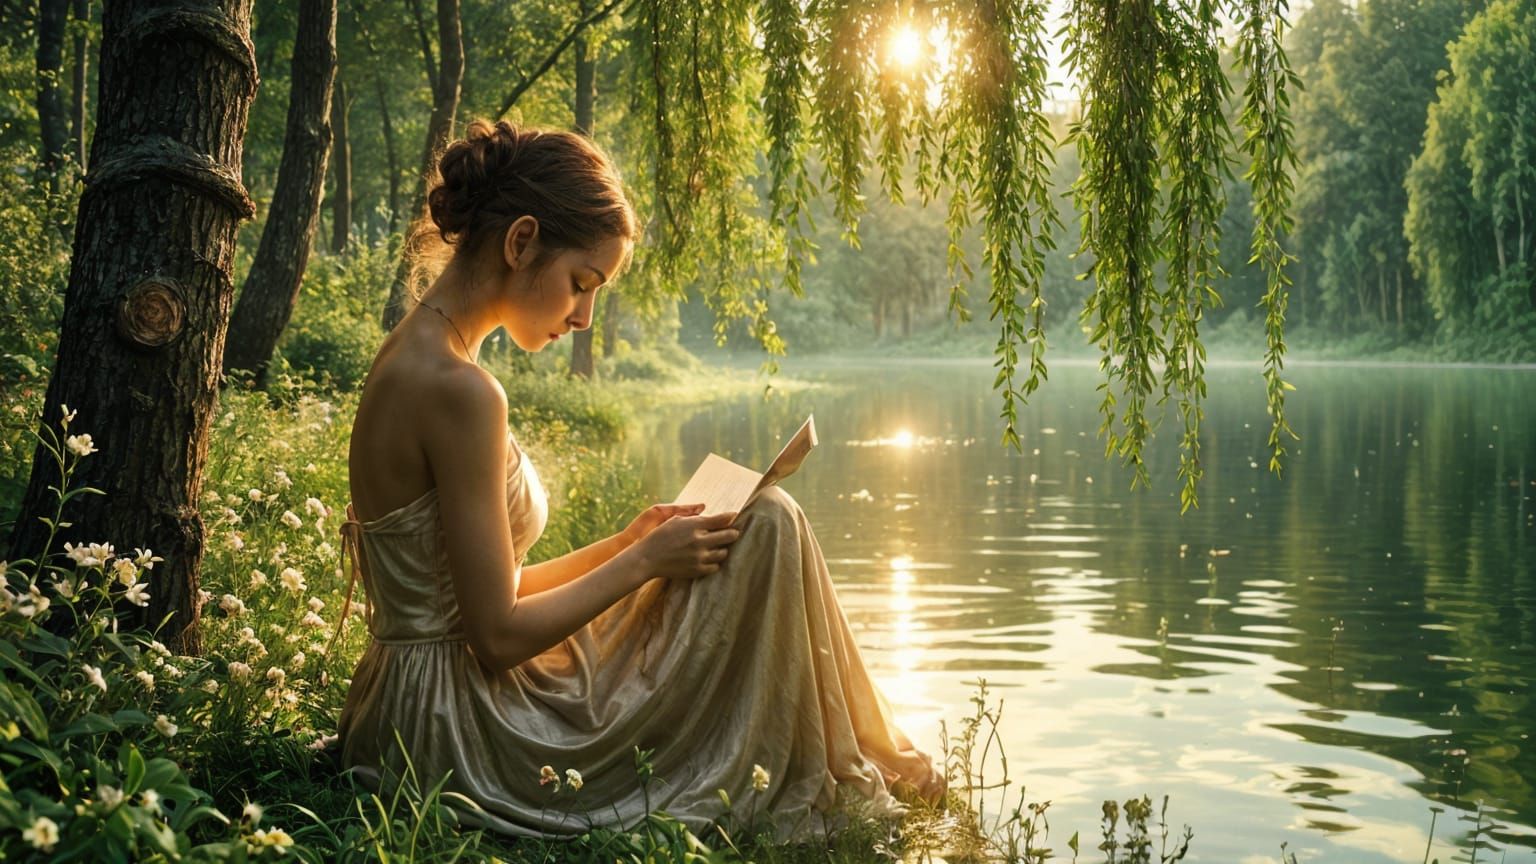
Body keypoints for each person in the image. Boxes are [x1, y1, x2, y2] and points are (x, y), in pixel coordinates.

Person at [333, 119, 943, 838]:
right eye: (580, 284)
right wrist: (644, 563)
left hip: (417, 697)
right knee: (770, 522)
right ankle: (872, 750)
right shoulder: (459, 389)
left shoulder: (422, 351)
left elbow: (485, 594)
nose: (584, 317)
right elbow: (495, 635)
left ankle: (869, 746)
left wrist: (628, 542)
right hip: (453, 725)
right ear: (521, 242)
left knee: (765, 517)